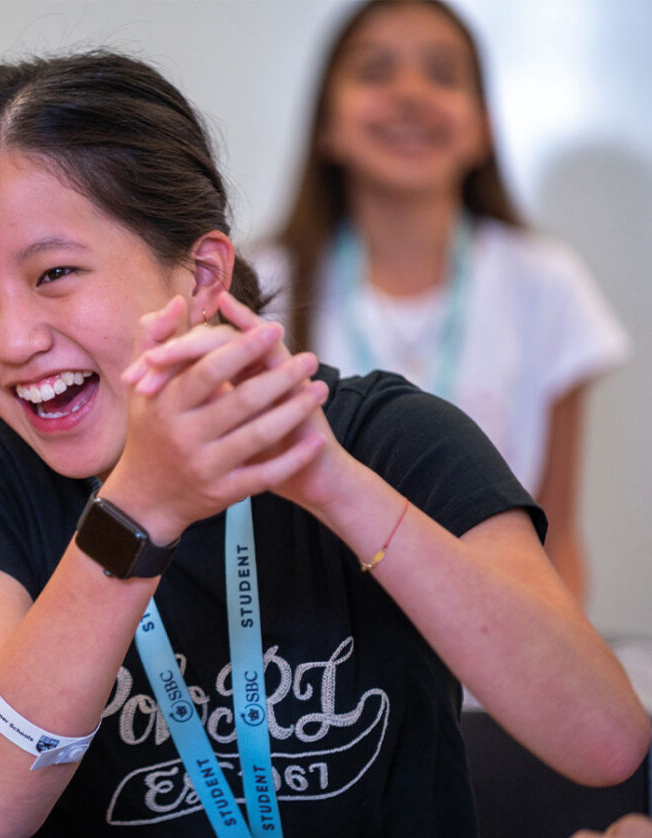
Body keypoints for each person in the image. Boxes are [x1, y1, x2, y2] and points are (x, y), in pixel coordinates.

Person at [0, 50, 649, 837]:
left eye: (55, 274)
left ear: (203, 274)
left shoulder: (385, 436)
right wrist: (137, 508)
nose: (10, 342)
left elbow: (604, 741)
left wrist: (331, 480)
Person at [256, 0, 630, 604]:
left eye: (443, 74)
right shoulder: (264, 282)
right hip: (319, 667)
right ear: (326, 124)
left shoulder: (548, 286)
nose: (410, 94)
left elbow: (555, 532)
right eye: (375, 71)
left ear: (482, 126)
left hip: (494, 649)